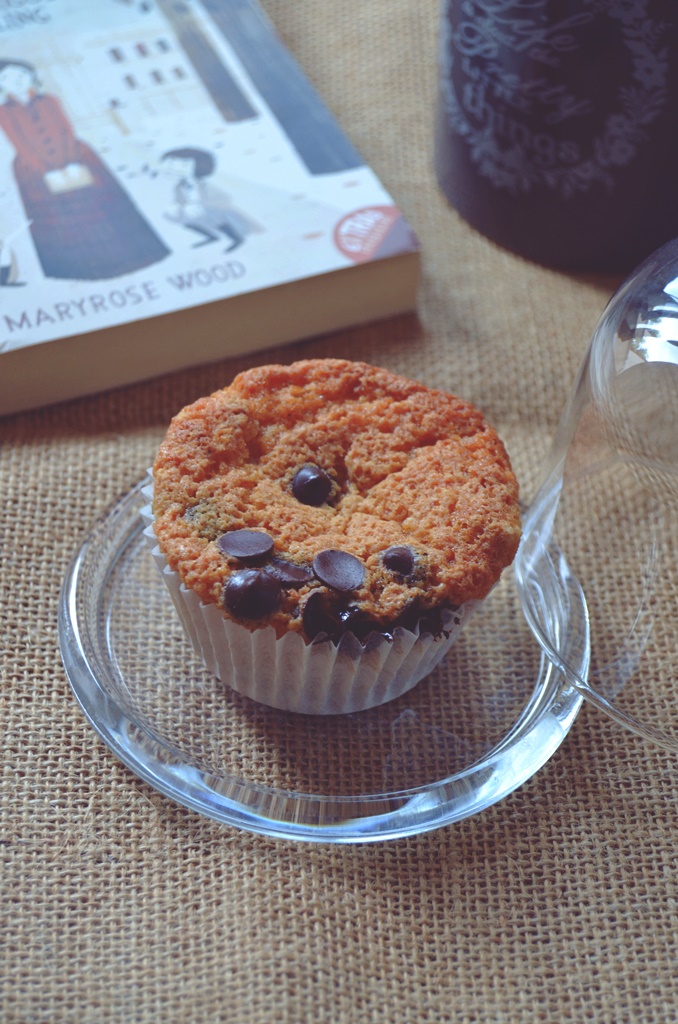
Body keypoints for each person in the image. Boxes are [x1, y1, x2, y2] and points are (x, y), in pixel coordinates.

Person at [0, 59, 169, 280]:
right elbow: (20, 143)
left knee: (101, 207)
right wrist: (46, 170)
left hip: (77, 157)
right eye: (7, 79)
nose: (17, 81)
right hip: (34, 168)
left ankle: (130, 256)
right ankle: (79, 269)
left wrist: (71, 162)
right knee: (62, 217)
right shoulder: (5, 112)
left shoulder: (50, 100)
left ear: (31, 75)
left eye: (21, 75)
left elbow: (65, 130)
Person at [160, 147, 261, 252]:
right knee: (182, 219)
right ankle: (211, 236)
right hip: (194, 210)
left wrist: (201, 204)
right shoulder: (179, 186)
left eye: (183, 164)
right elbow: (179, 198)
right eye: (170, 164)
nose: (174, 169)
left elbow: (219, 196)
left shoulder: (201, 184)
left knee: (215, 218)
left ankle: (236, 238)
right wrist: (176, 206)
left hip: (212, 208)